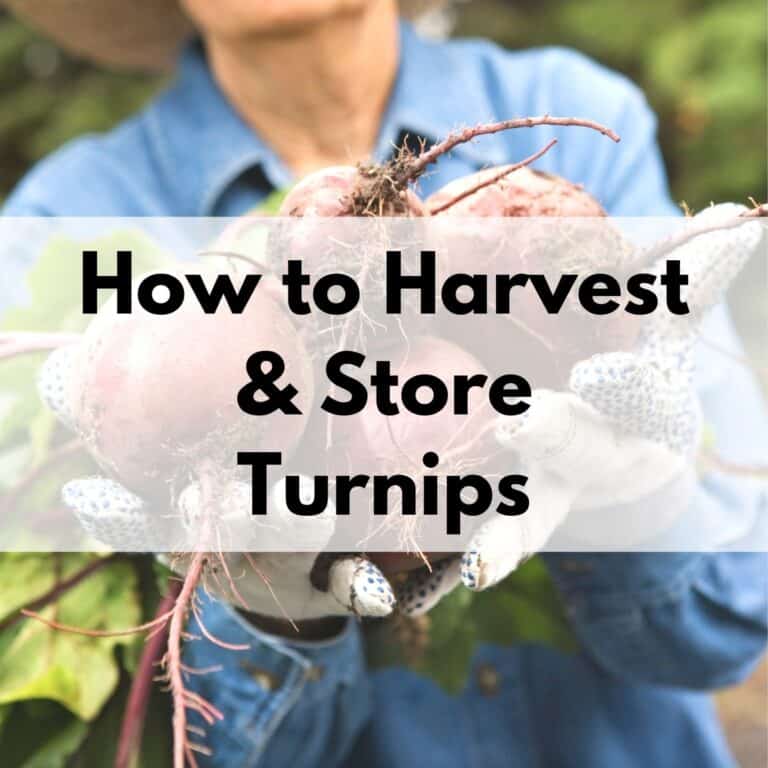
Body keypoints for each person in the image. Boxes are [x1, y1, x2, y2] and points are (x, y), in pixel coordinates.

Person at [3, 1, 767, 766]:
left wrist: (642, 507)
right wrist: (268, 622)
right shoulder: (61, 215)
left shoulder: (572, 119)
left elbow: (726, 630)